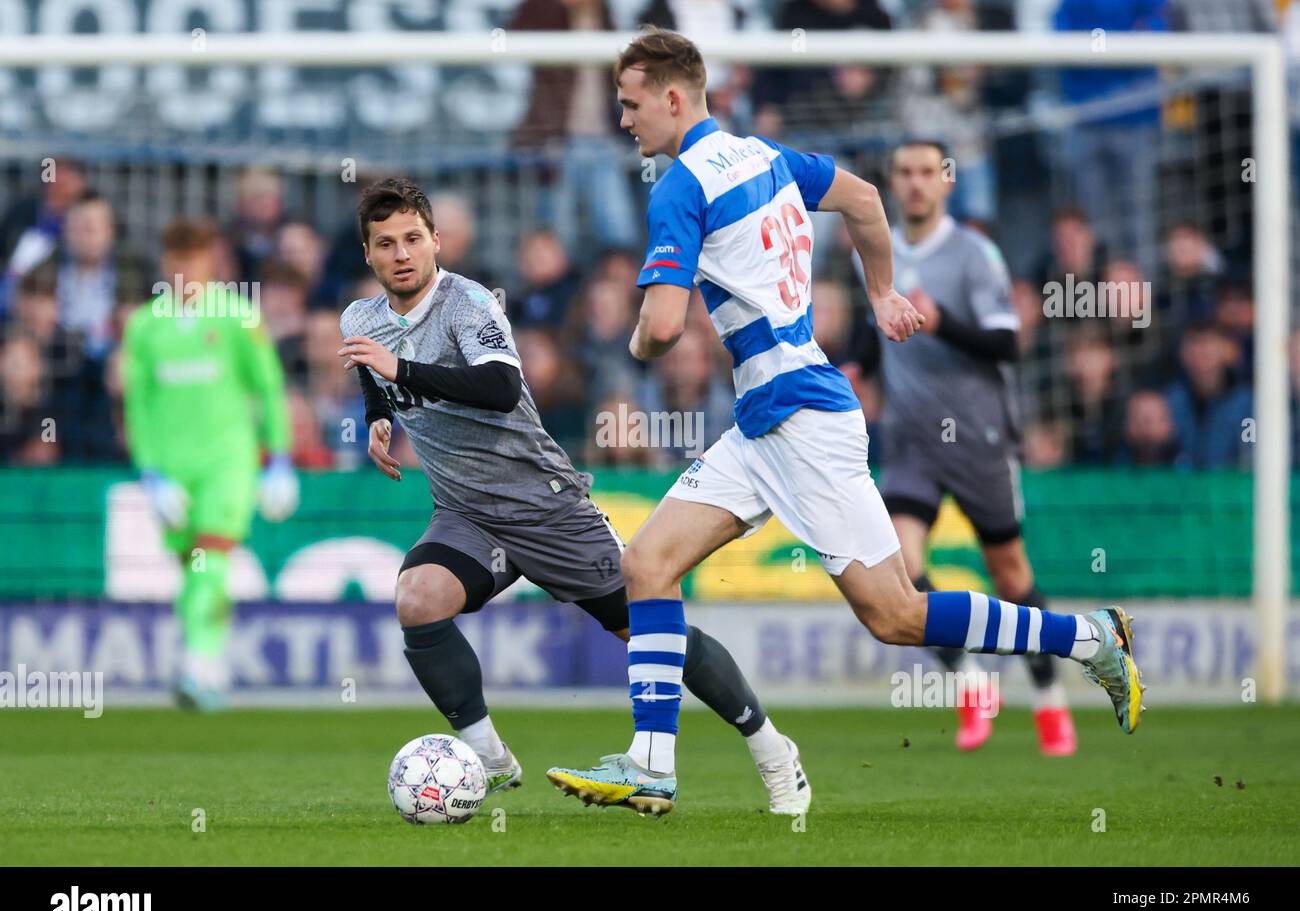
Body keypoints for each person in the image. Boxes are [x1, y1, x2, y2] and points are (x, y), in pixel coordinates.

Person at [547, 29, 1144, 815]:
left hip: (800, 418)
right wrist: (884, 292)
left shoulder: (678, 184)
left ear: (671, 96)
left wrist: (632, 337)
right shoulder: (768, 156)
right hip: (767, 419)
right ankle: (651, 762)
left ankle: (1092, 639)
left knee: (896, 615)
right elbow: (864, 199)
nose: (623, 121)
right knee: (649, 564)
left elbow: (659, 329)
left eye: (629, 105)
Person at [337, 178, 809, 816]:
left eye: (413, 239)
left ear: (436, 242)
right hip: (466, 514)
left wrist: (404, 374)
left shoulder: (470, 304)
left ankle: (772, 749)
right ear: (368, 254)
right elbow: (374, 370)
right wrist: (378, 419)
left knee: (647, 631)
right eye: (385, 243)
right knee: (417, 599)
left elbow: (502, 387)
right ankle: (491, 759)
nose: (401, 254)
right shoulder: (359, 318)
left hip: (546, 505)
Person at [874, 140, 1075, 756]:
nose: (914, 184)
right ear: (891, 179)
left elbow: (1007, 345)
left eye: (927, 173)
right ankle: (969, 684)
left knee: (1012, 576)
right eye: (904, 172)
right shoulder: (876, 251)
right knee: (902, 571)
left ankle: (1049, 698)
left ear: (948, 182)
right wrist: (853, 368)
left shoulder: (975, 254)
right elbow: (873, 331)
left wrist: (944, 324)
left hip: (979, 438)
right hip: (910, 439)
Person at [121, 218, 299, 710]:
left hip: (228, 461)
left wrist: (279, 458)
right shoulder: (144, 326)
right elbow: (138, 406)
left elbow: (268, 390)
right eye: (176, 260)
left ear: (210, 262)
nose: (185, 270)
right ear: (165, 264)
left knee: (212, 555)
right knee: (194, 569)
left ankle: (198, 662)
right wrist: (150, 473)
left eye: (193, 260)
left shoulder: (239, 318)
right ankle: (210, 662)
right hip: (171, 468)